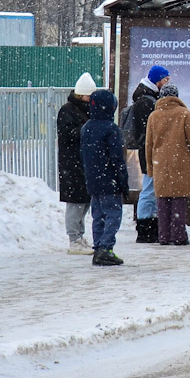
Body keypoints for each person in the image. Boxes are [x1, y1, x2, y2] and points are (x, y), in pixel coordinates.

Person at [145, 83, 190, 246]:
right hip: (179, 164)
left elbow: (149, 145)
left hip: (160, 164)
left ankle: (164, 235)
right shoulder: (184, 114)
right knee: (179, 199)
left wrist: (150, 167)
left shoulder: (154, 116)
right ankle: (178, 235)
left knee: (162, 200)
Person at [80, 88, 128, 267]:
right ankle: (105, 249)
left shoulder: (87, 127)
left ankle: (98, 246)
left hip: (93, 180)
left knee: (98, 215)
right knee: (113, 214)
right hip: (110, 180)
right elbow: (117, 158)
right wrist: (123, 181)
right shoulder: (111, 129)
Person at [57, 72, 96, 254]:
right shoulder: (68, 110)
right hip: (72, 163)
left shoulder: (84, 110)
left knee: (84, 201)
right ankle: (74, 239)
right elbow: (68, 135)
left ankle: (79, 236)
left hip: (81, 162)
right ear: (82, 95)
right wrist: (87, 129)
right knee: (75, 202)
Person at [129, 64, 168, 243]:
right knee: (149, 189)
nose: (167, 83)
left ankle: (148, 226)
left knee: (151, 189)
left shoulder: (147, 98)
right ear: (157, 80)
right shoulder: (146, 102)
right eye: (165, 80)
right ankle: (145, 228)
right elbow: (147, 131)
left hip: (150, 151)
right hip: (150, 152)